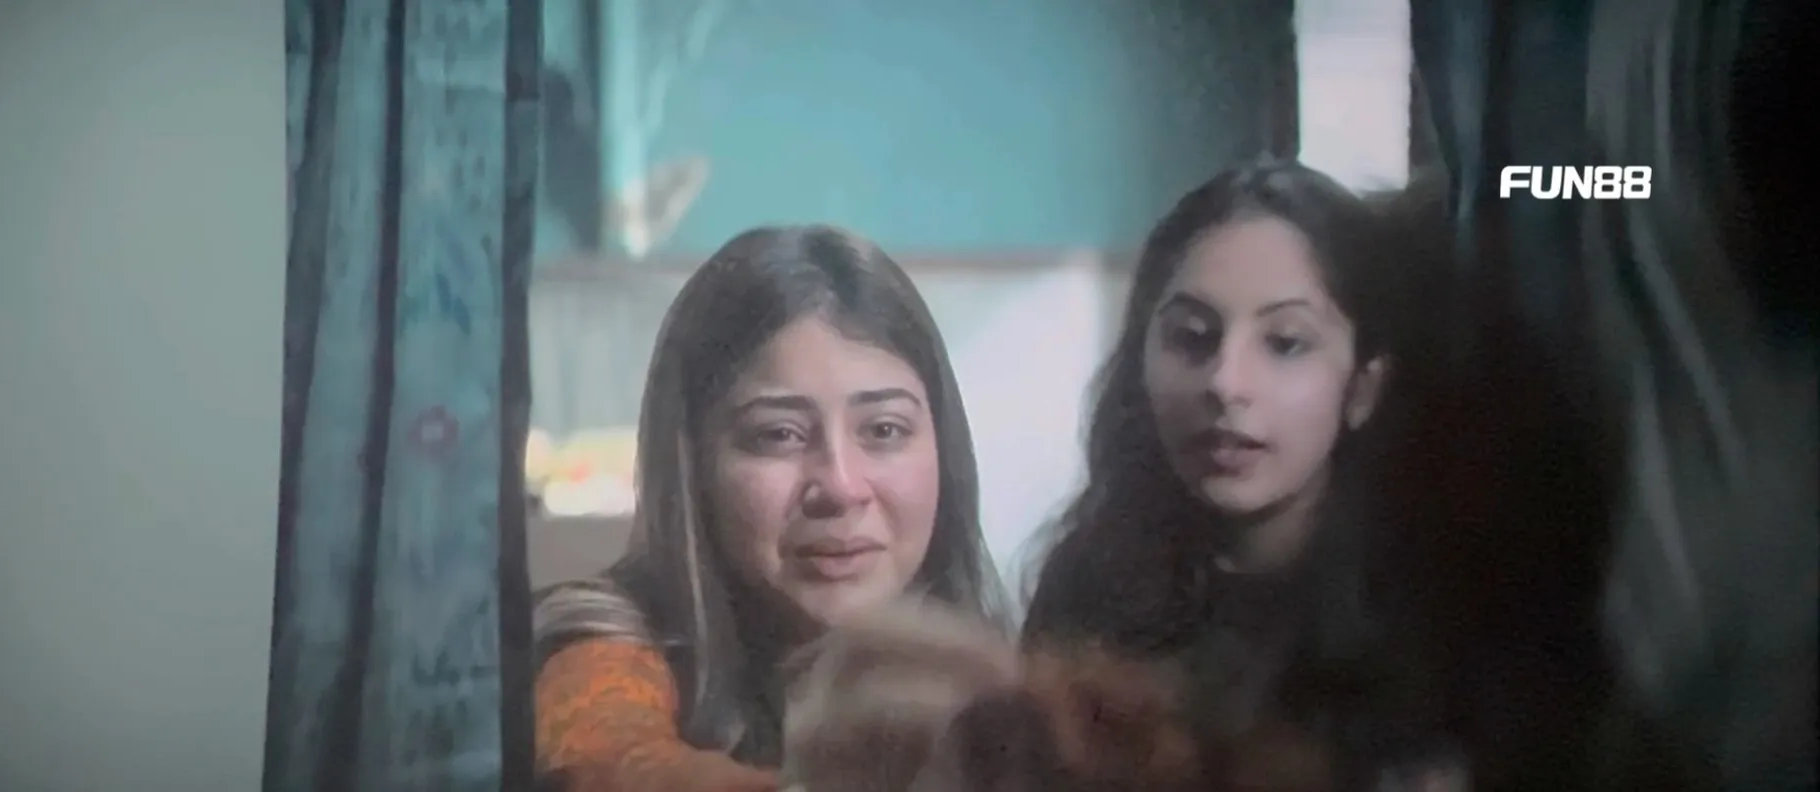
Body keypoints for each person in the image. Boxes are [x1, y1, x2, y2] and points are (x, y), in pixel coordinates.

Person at [1020, 161, 1456, 789]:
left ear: (1364, 387)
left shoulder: (1431, 619)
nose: (1225, 383)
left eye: (1285, 343)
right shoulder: (1085, 592)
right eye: (1192, 337)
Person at [530, 225, 1008, 792]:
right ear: (691, 463)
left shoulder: (995, 677)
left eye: (883, 430)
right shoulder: (595, 642)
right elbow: (612, 761)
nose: (840, 486)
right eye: (778, 435)